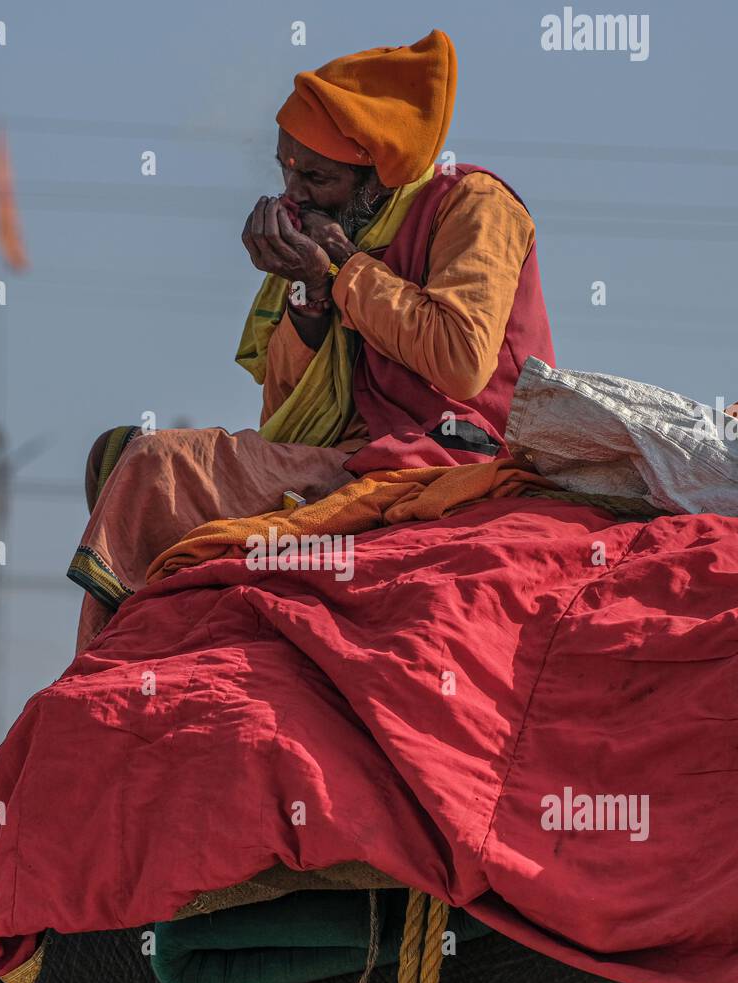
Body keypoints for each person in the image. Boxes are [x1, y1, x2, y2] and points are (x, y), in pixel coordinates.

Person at [69, 28, 554, 652]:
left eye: (317, 179)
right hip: (353, 456)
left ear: (376, 173)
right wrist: (309, 292)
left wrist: (345, 270)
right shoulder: (330, 243)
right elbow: (286, 421)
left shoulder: (473, 206)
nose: (293, 196)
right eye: (286, 173)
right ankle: (113, 664)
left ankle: (99, 662)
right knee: (124, 457)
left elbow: (461, 361)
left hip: (454, 459)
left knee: (151, 467)